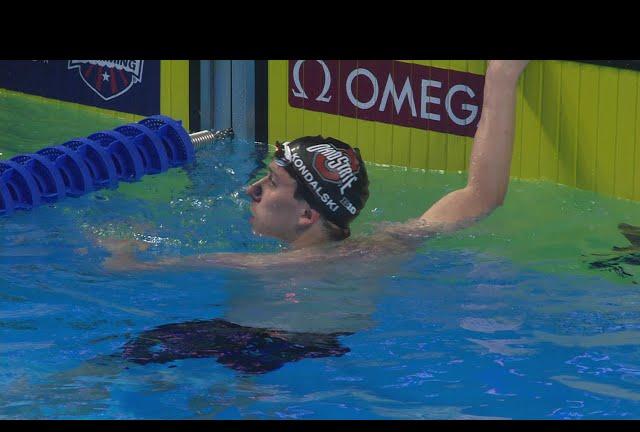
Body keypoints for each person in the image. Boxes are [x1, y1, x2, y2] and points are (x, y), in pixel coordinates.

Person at [100, 60, 530, 272]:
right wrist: (502, 74)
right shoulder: (378, 249)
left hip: (259, 355)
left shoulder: (272, 267)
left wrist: (121, 248)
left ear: (308, 214)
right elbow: (482, 195)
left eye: (269, 183)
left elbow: (128, 274)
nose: (250, 190)